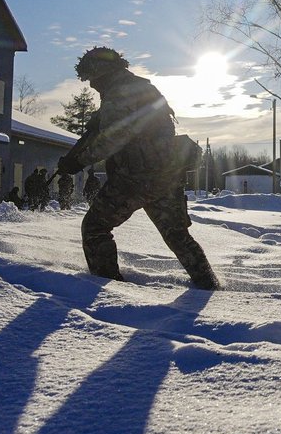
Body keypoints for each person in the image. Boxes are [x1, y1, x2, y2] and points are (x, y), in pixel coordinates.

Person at [55, 46, 220, 290]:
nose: (91, 85)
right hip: (167, 174)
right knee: (177, 235)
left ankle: (109, 289)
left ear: (101, 71)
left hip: (136, 177)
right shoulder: (140, 87)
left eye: (91, 78)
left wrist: (78, 161)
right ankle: (208, 285)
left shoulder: (118, 93)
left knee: (94, 228)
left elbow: (112, 138)